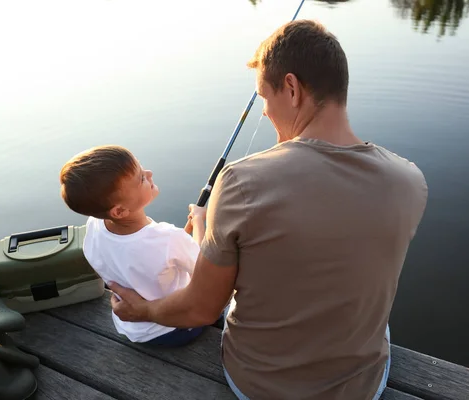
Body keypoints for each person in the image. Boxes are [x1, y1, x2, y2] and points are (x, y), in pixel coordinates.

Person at [108, 19, 428, 399]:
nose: (264, 114)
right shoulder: (410, 180)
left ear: (291, 89)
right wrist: (213, 226)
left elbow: (200, 310)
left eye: (264, 98)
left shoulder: (242, 182)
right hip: (363, 388)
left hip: (259, 386)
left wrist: (142, 311)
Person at [59, 145, 206, 346]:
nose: (149, 173)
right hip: (173, 329)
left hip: (131, 327)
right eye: (141, 179)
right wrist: (199, 221)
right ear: (119, 211)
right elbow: (207, 271)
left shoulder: (94, 226)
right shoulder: (169, 238)